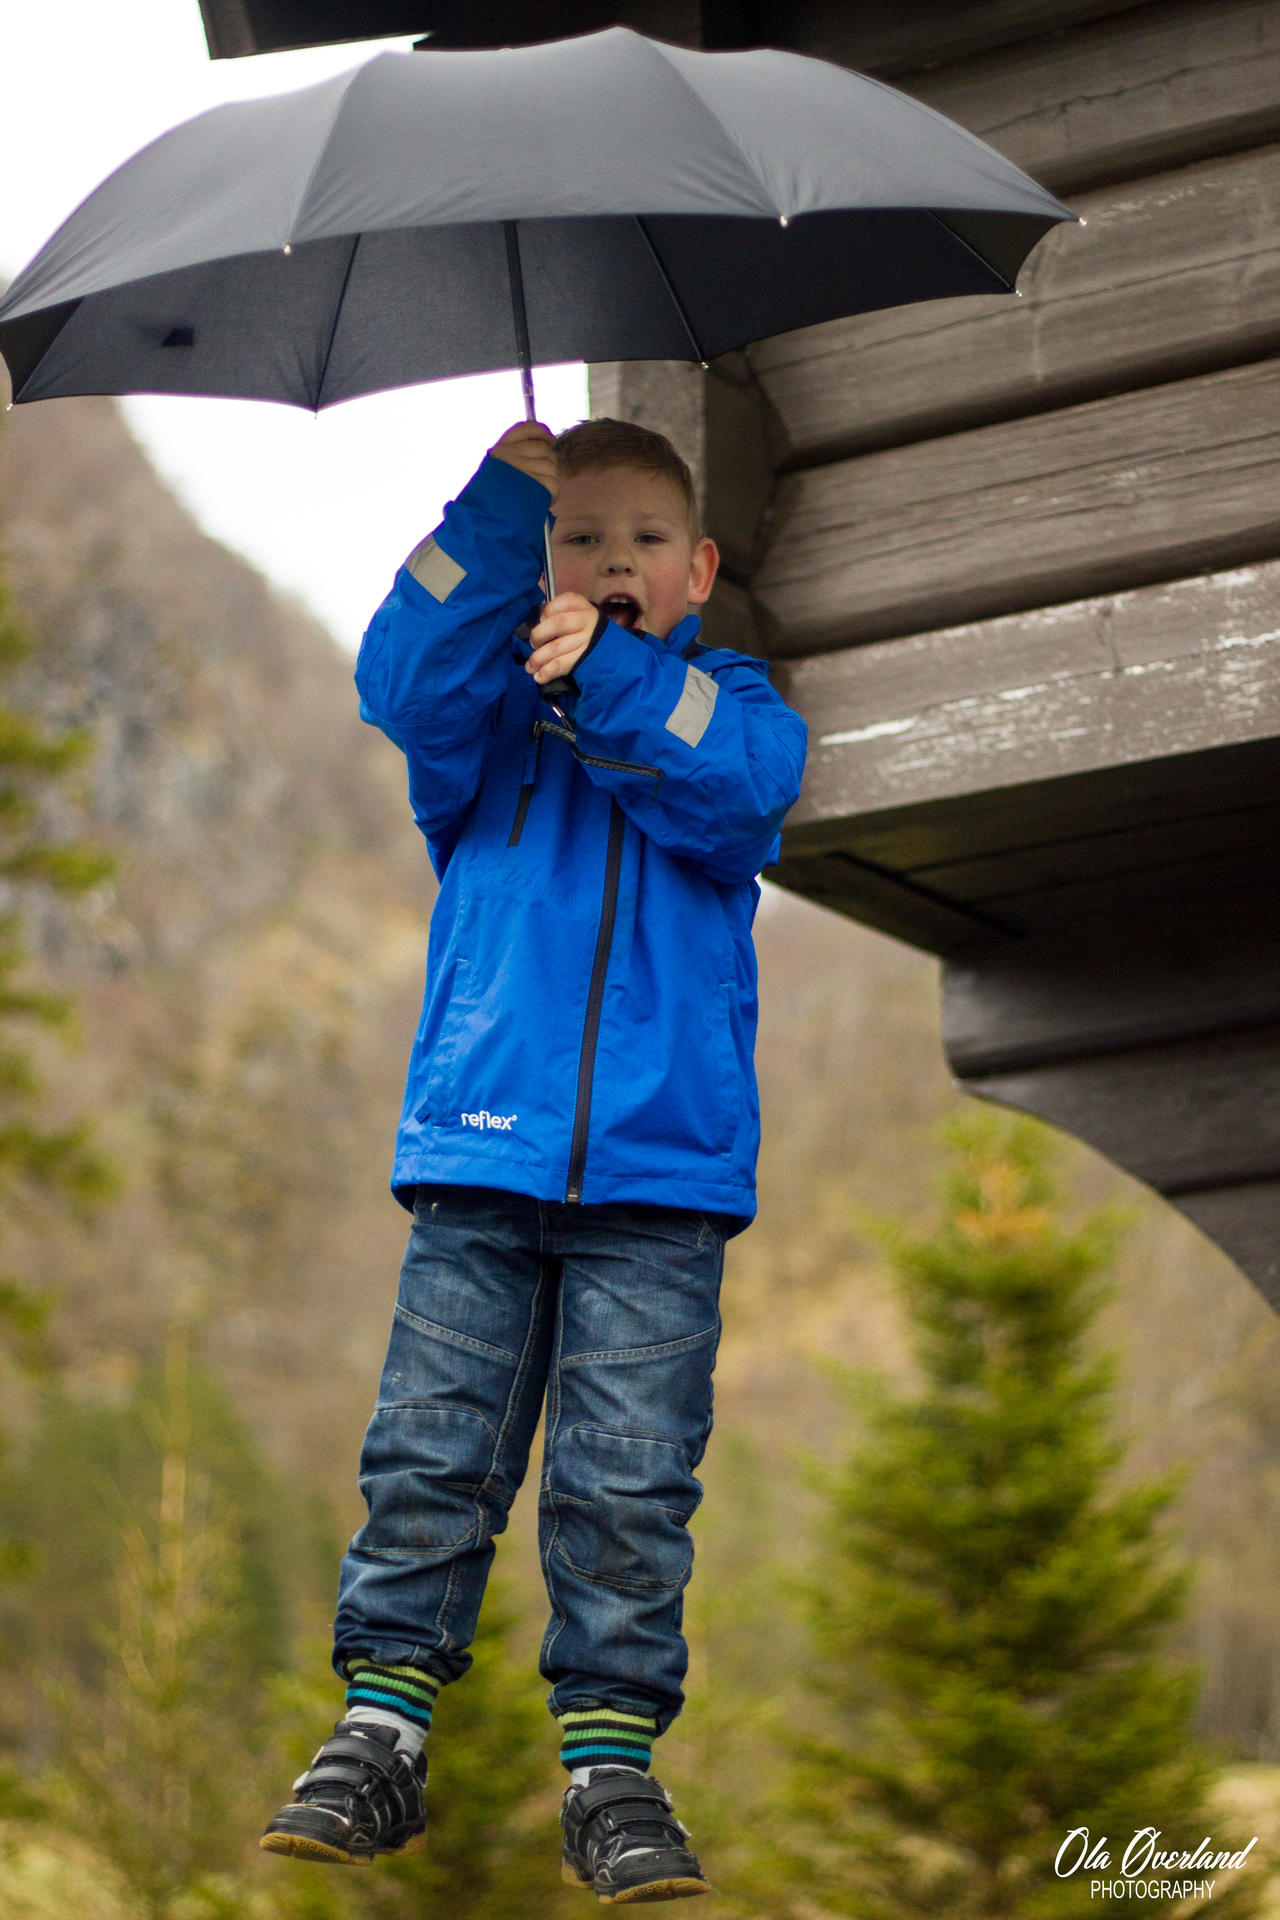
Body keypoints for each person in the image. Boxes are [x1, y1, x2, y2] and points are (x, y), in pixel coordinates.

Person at [260, 414, 807, 1902]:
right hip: (477, 1162)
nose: (607, 560)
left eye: (638, 542)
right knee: (431, 1453)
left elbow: (740, 793)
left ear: (696, 572)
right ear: (540, 566)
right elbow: (399, 669)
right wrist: (503, 500)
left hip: (660, 1188)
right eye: (579, 538)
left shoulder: (728, 703)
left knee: (628, 1481)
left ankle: (613, 1767)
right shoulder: (481, 726)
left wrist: (611, 675)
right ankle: (380, 1737)